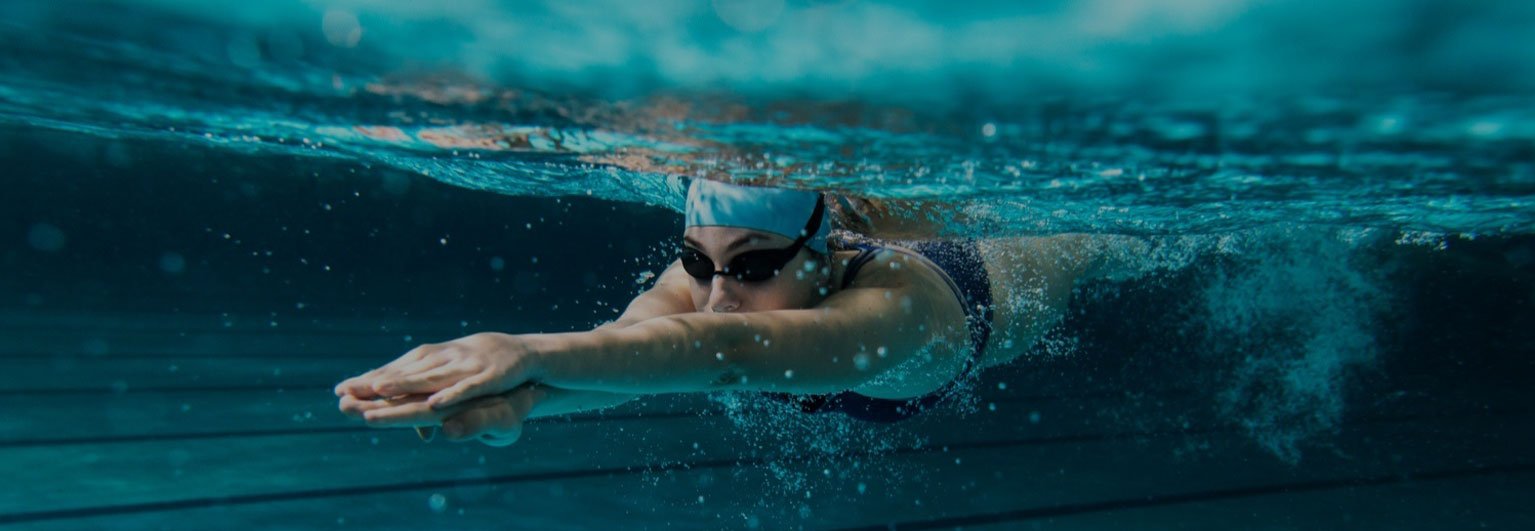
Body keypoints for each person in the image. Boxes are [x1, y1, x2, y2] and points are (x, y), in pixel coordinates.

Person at [335, 178, 1100, 446]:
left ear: (823, 256)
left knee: (1108, 243)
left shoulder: (896, 311)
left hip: (1011, 269)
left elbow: (727, 350)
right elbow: (630, 351)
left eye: (755, 265)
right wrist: (523, 404)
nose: (718, 293)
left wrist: (523, 351)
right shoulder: (712, 283)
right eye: (699, 263)